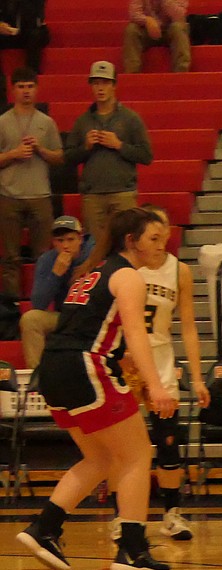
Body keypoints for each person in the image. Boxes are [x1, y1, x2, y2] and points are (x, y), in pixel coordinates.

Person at [16, 207, 178, 570]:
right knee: (137, 454)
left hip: (54, 368)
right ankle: (132, 550)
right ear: (130, 241)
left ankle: (44, 529)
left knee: (101, 458)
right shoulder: (127, 276)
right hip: (84, 366)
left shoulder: (91, 273)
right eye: (153, 239)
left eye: (164, 240)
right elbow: (137, 334)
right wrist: (155, 385)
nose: (161, 247)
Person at [113, 203, 209, 541]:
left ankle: (172, 514)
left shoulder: (179, 271)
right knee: (121, 446)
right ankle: (120, 517)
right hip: (124, 361)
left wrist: (196, 376)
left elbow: (189, 328)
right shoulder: (126, 268)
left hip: (162, 360)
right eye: (155, 230)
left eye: (165, 228)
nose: (162, 236)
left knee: (168, 442)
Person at [63, 61, 153, 248]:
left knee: (128, 245)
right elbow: (68, 157)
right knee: (96, 249)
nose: (100, 88)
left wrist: (119, 145)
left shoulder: (130, 119)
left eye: (105, 83)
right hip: (93, 196)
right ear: (91, 86)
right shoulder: (83, 121)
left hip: (123, 193)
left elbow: (146, 155)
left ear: (114, 85)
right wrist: (85, 147)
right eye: (96, 83)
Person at [0, 66, 63, 298]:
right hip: (8, 195)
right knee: (10, 258)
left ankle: (41, 302)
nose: (26, 91)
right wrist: (13, 154)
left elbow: (59, 157)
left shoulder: (46, 122)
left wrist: (40, 149)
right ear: (12, 90)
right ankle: (11, 307)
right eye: (21, 87)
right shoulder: (3, 122)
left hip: (40, 195)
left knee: (44, 256)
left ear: (36, 89)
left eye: (29, 86)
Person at [19, 216, 94, 370]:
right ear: (53, 242)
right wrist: (55, 275)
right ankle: (40, 379)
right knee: (30, 319)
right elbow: (38, 304)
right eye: (60, 241)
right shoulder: (47, 260)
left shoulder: (95, 255)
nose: (65, 246)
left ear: (80, 238)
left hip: (93, 316)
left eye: (70, 239)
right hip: (64, 317)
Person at [124, 0, 191, 73]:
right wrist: (146, 20)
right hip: (147, 31)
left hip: (170, 30)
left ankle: (181, 72)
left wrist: (165, 1)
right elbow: (134, 14)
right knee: (132, 29)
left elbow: (179, 16)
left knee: (178, 27)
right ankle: (132, 74)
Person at [0, 0, 48, 77]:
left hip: (30, 31)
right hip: (5, 32)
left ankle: (31, 75)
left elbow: (36, 17)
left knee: (36, 34)